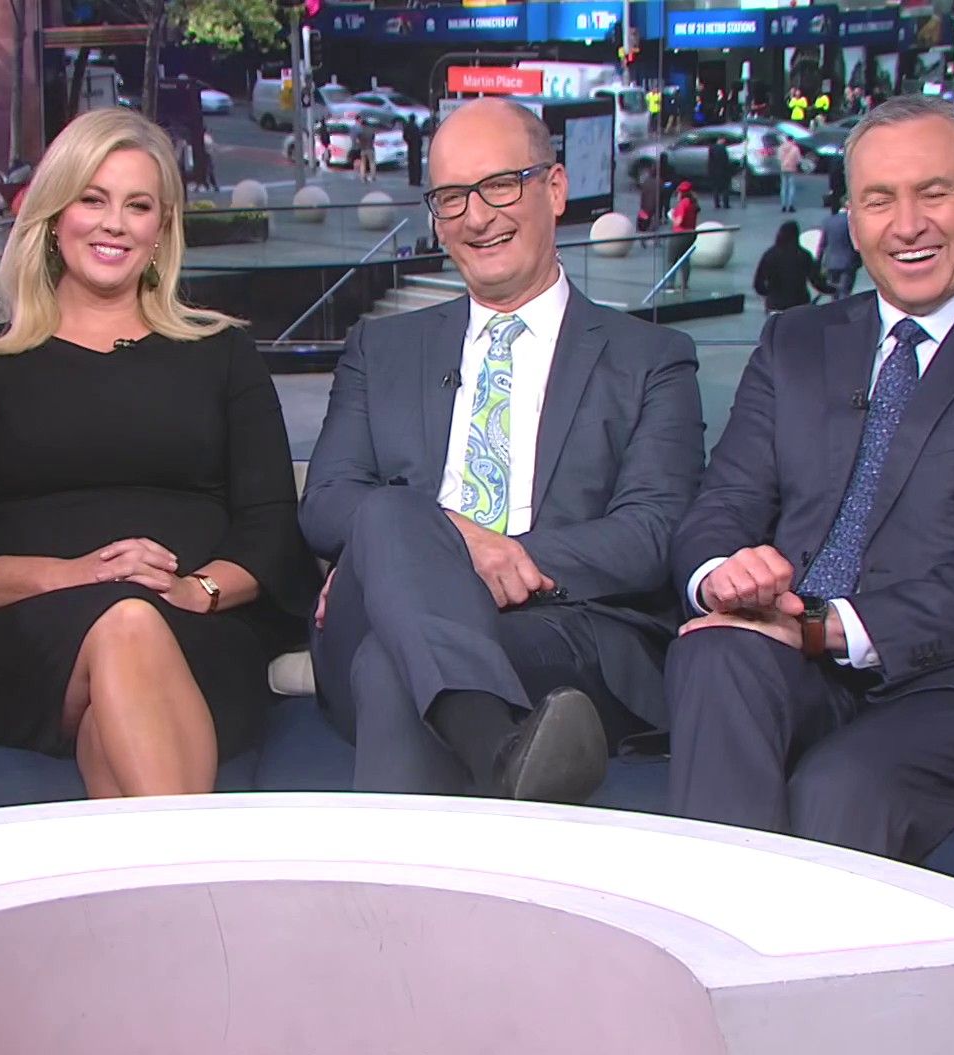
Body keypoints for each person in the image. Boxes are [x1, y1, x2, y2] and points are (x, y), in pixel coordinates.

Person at [662, 94, 954, 863]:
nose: (907, 225)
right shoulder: (793, 342)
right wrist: (723, 578)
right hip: (798, 654)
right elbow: (725, 501)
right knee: (713, 654)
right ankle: (715, 935)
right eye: (880, 201)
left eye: (932, 194)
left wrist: (825, 627)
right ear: (853, 220)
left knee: (838, 786)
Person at [0, 109, 317, 798]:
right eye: (92, 199)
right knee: (126, 621)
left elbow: (271, 527)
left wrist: (195, 590)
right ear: (53, 217)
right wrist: (78, 576)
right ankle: (195, 864)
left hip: (199, 626)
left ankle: (163, 866)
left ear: (162, 230)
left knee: (118, 702)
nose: (114, 224)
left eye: (138, 206)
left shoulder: (223, 354)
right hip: (29, 636)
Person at [300, 98, 704, 800]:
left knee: (395, 665)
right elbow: (327, 501)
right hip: (381, 609)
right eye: (452, 197)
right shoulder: (382, 347)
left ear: (555, 188)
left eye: (499, 186)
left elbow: (651, 532)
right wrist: (451, 543)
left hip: (562, 629)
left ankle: (476, 754)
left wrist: (487, 559)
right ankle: (500, 751)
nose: (477, 217)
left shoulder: (651, 358)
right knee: (393, 514)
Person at [753, 219, 834, 313]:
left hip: (775, 305)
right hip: (799, 303)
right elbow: (816, 281)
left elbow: (758, 284)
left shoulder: (769, 255)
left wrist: (770, 294)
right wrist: (831, 290)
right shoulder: (804, 255)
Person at [815, 195, 860, 299]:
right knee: (844, 292)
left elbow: (822, 244)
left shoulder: (828, 221)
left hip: (831, 262)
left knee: (834, 292)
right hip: (848, 262)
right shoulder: (853, 222)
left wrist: (819, 262)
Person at [668, 180, 700, 291]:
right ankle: (684, 284)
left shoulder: (683, 204)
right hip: (691, 234)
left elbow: (678, 221)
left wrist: (672, 216)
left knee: (671, 259)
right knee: (685, 260)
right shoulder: (693, 203)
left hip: (680, 234)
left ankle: (670, 284)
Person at [778, 135, 803, 213]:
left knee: (783, 187)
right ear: (792, 140)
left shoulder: (781, 148)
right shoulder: (795, 148)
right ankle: (790, 205)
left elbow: (779, 158)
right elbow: (798, 160)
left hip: (783, 168)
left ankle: (783, 205)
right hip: (792, 168)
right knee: (791, 187)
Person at [707, 139, 734, 210]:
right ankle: (726, 204)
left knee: (715, 188)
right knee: (725, 188)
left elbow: (710, 161)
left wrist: (710, 171)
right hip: (723, 171)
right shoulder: (723, 149)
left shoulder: (711, 148)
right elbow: (726, 161)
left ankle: (717, 204)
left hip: (714, 171)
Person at [402, 113, 425, 187]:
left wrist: (408, 142)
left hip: (410, 147)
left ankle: (411, 180)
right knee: (417, 165)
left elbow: (404, 136)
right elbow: (419, 137)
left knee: (411, 164)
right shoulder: (416, 127)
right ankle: (417, 181)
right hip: (417, 148)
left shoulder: (407, 126)